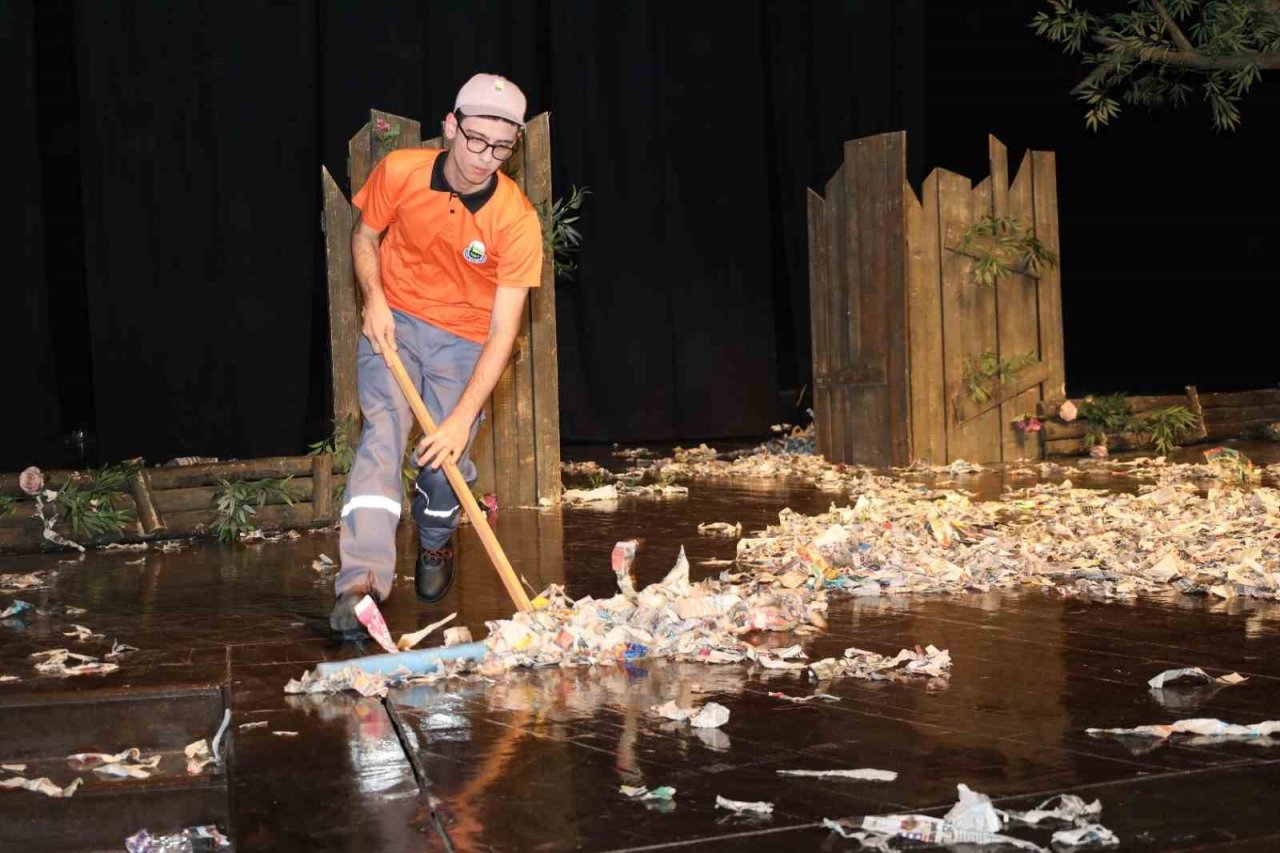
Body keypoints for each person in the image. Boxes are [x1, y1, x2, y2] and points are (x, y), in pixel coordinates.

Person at [330, 73, 543, 633]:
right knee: (382, 439)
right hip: (394, 324)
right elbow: (363, 236)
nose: (485, 158)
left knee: (444, 464)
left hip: (467, 343)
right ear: (451, 125)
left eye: (502, 147)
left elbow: (504, 332)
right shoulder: (400, 172)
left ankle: (435, 541)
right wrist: (374, 302)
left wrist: (461, 419)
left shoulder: (517, 221)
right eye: (475, 140)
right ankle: (361, 585)